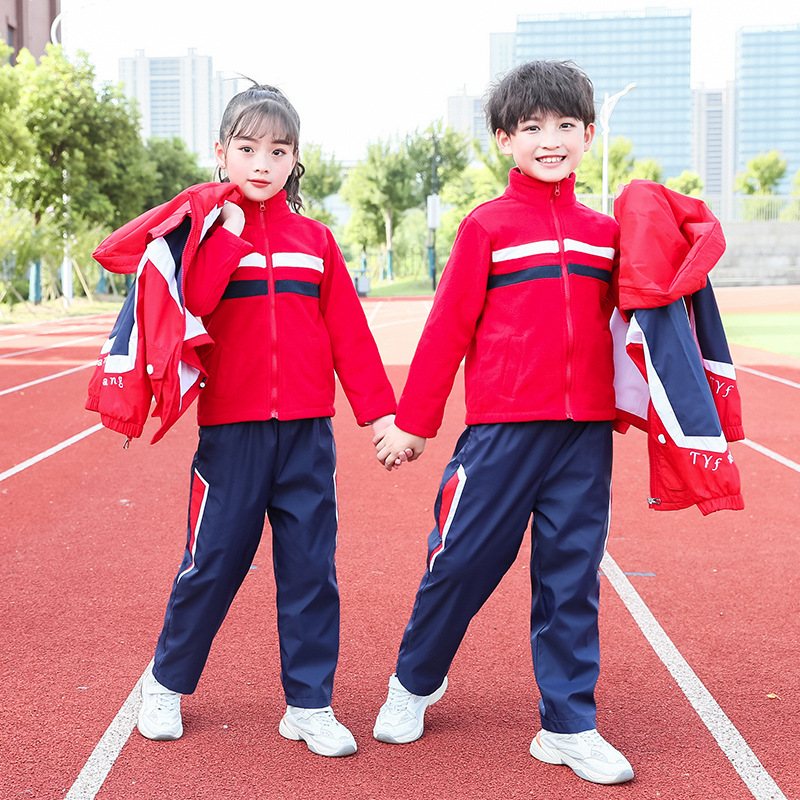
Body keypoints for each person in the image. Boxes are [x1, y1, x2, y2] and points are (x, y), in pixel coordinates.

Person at [372, 61, 634, 785]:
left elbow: (642, 323)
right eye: (532, 128)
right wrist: (414, 422)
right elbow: (447, 328)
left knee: (570, 577)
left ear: (588, 134)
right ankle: (414, 683)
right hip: (502, 433)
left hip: (582, 434)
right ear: (503, 140)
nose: (551, 140)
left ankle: (568, 724)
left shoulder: (605, 233)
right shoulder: (487, 226)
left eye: (565, 127)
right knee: (459, 562)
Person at [128, 83, 397, 756]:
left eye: (278, 151)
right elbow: (195, 303)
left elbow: (350, 337)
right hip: (232, 436)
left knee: (312, 569)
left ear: (294, 159)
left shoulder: (317, 242)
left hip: (307, 435)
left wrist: (381, 417)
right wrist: (226, 236)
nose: (261, 163)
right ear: (222, 153)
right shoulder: (206, 236)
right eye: (247, 148)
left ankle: (309, 704)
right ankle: (164, 681)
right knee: (211, 563)